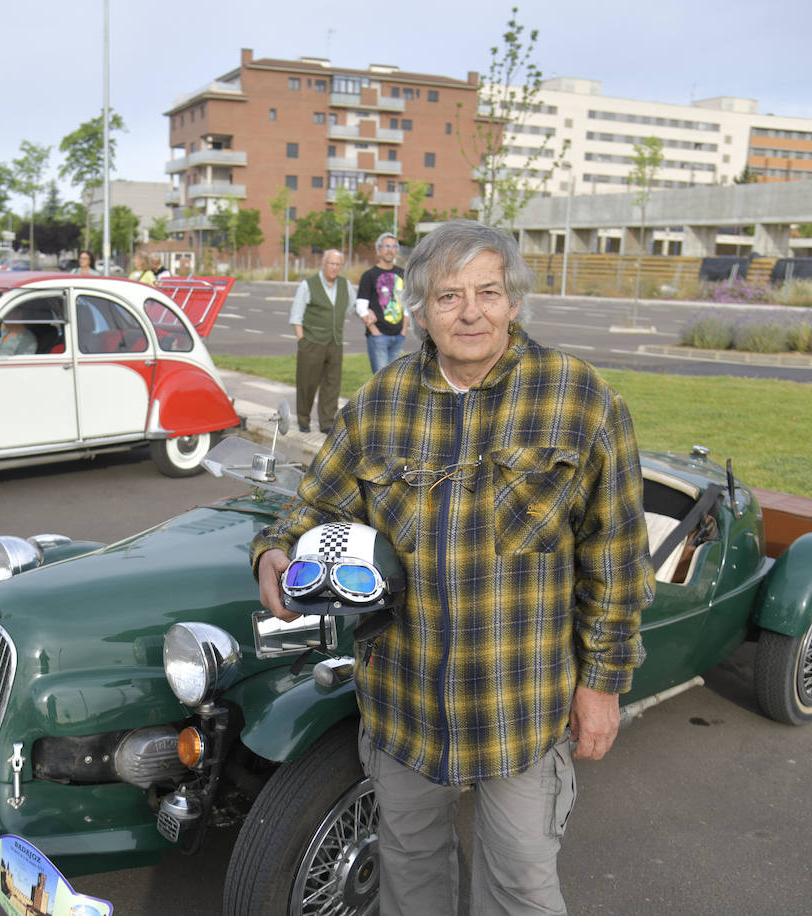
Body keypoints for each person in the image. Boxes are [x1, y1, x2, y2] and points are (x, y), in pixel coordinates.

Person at [252, 221, 654, 916]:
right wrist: (276, 551)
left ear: (515, 301)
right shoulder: (380, 402)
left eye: (489, 292)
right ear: (419, 311)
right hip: (404, 705)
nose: (471, 312)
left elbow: (615, 558)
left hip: (522, 708)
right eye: (449, 297)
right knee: (409, 874)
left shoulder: (579, 398)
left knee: (523, 883)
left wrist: (603, 685)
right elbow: (316, 503)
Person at [289, 248, 350, 433]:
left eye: (338, 264)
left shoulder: (345, 285)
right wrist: (302, 340)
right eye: (331, 263)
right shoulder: (308, 285)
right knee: (307, 382)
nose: (334, 267)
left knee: (332, 384)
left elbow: (355, 307)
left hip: (335, 341)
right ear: (323, 264)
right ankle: (303, 419)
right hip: (312, 341)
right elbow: (296, 316)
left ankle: (327, 422)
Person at [356, 232, 409, 372]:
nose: (390, 249)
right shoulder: (369, 276)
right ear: (378, 250)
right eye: (386, 246)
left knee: (393, 381)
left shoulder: (403, 274)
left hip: (398, 336)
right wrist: (374, 331)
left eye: (393, 246)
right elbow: (361, 306)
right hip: (379, 336)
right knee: (380, 381)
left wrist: (404, 330)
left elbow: (407, 305)